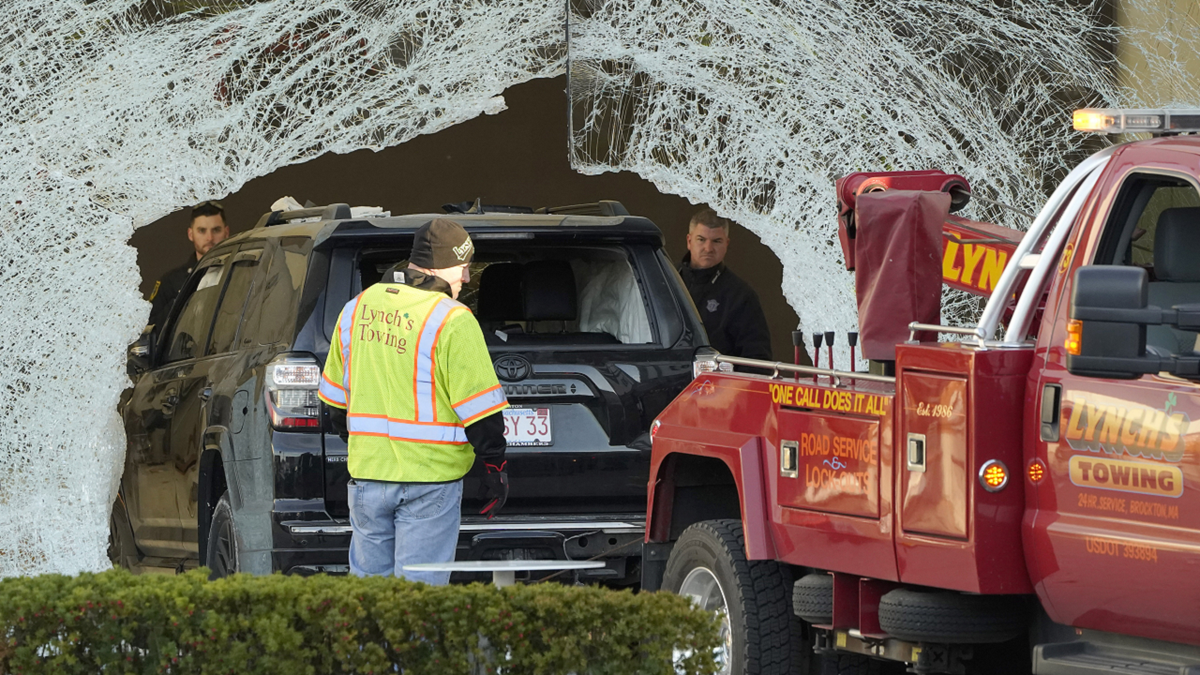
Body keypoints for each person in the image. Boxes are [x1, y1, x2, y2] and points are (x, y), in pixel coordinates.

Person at [318, 217, 509, 584]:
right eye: (463, 268)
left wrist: (375, 449)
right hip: (430, 484)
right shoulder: (452, 318)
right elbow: (481, 412)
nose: (466, 279)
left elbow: (334, 410)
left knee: (369, 601)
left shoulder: (355, 309)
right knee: (420, 600)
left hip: (367, 482)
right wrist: (494, 467)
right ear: (440, 265)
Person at [678, 208, 773, 361]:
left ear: (727, 243)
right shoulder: (667, 281)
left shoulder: (741, 295)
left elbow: (757, 358)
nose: (708, 248)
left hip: (718, 381)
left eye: (716, 241)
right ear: (689, 241)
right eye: (701, 239)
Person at [147, 200, 230, 331]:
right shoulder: (171, 282)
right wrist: (182, 302)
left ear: (226, 232)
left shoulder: (242, 272)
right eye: (202, 231)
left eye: (216, 230)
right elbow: (151, 330)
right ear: (191, 234)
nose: (209, 238)